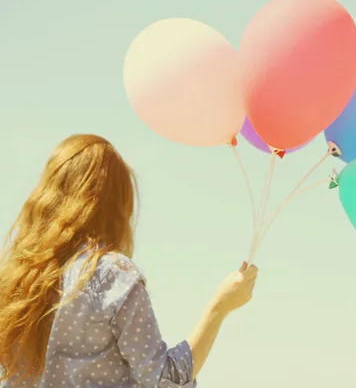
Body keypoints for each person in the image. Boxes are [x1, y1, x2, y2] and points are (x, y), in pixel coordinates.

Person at [0, 134, 258, 387]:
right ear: (116, 205)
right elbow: (162, 379)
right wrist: (219, 306)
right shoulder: (112, 275)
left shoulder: (14, 280)